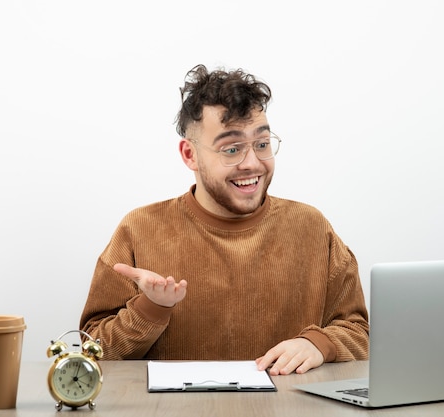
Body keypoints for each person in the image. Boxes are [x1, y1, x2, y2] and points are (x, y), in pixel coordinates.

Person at [80, 64, 369, 375]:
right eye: (231, 149)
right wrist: (151, 308)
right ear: (190, 155)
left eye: (262, 144)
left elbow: (359, 333)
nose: (252, 163)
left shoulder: (312, 227)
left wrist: (318, 344)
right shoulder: (139, 229)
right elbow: (90, 352)